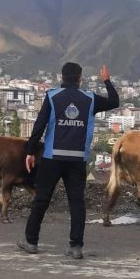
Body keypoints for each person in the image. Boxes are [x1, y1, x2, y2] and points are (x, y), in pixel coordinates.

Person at [17, 62, 119, 259]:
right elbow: (114, 102)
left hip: (52, 158)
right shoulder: (90, 99)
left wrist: (29, 151)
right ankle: (76, 247)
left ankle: (31, 241)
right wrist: (106, 80)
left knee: (41, 199)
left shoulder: (52, 96)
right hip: (77, 159)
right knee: (77, 203)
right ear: (80, 79)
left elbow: (39, 125)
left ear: (61, 77)